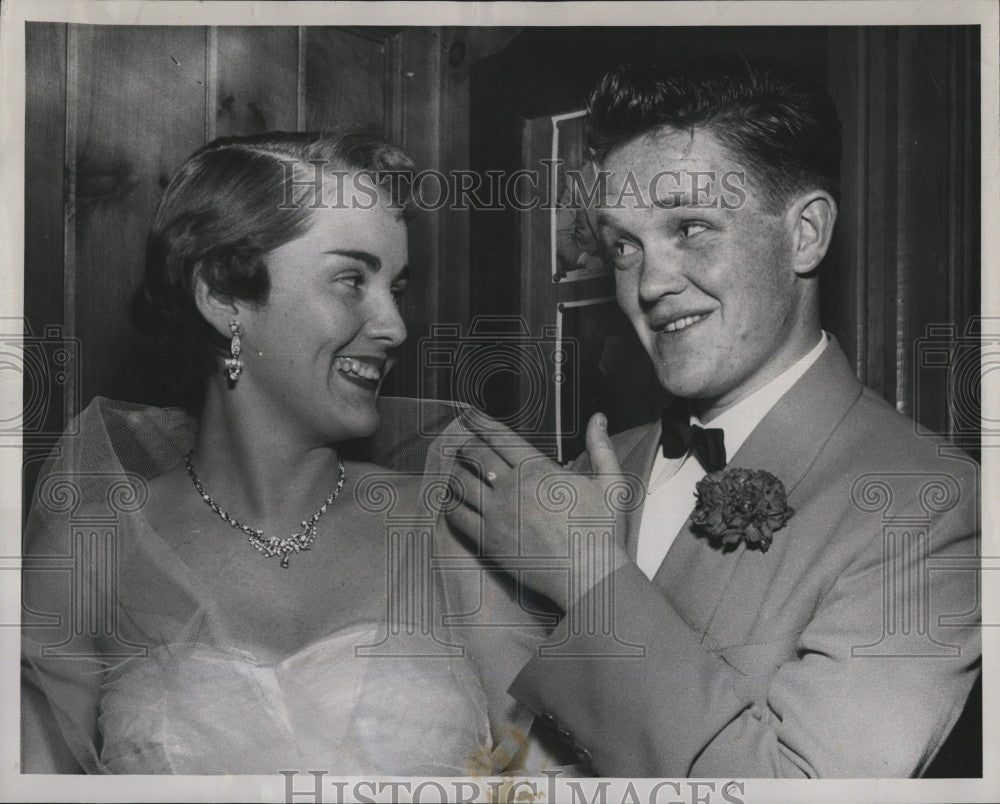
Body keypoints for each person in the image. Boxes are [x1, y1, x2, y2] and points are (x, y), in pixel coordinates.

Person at [445, 58, 981, 777]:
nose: (651, 283)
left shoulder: (932, 504)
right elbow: (505, 759)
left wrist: (587, 578)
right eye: (624, 247)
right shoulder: (586, 475)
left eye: (691, 227)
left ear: (807, 234)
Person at [20, 132, 550, 775]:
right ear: (222, 295)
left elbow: (538, 776)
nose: (395, 327)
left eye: (398, 288)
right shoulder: (88, 548)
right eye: (351, 280)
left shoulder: (453, 524)